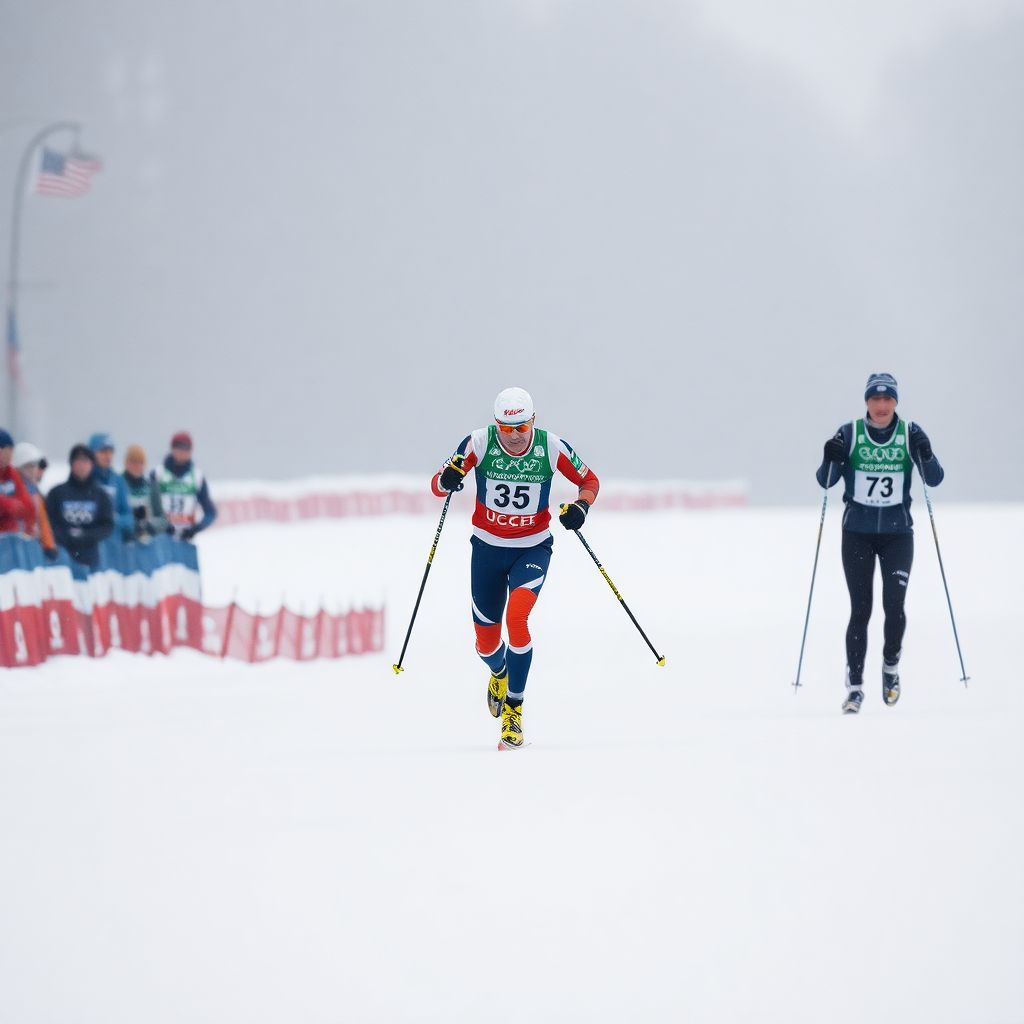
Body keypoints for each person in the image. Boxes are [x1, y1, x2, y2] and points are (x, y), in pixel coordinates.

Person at [431, 387, 600, 748]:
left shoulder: (550, 446)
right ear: (496, 426)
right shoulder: (478, 442)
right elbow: (439, 481)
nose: (514, 436)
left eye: (521, 427)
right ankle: (499, 672)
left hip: (532, 549)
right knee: (486, 644)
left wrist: (580, 507)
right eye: (506, 429)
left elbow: (590, 480)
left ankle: (514, 712)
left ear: (533, 421)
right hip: (487, 551)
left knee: (518, 620)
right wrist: (445, 480)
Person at [816, 373, 944, 714]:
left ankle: (890, 666)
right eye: (876, 399)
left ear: (896, 402)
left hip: (897, 534)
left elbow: (935, 479)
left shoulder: (909, 433)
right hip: (857, 533)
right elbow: (825, 482)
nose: (882, 405)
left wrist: (927, 454)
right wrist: (830, 456)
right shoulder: (850, 432)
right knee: (861, 610)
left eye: (888, 400)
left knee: (894, 604)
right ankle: (855, 688)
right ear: (867, 402)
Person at [45, 444, 114, 568]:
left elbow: (107, 525)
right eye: (78, 461)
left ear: (92, 465)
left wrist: (87, 536)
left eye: (86, 461)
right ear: (71, 463)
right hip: (62, 555)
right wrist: (66, 536)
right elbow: (49, 522)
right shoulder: (57, 493)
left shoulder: (101, 495)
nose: (82, 465)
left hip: (91, 557)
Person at [157, 431, 217, 540]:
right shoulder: (158, 474)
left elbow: (211, 512)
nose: (183, 452)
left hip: (186, 540)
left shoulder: (197, 477)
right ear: (172, 449)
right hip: (162, 538)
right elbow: (150, 507)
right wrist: (159, 525)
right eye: (179, 447)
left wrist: (196, 528)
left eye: (187, 448)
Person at [12, 440, 57, 558]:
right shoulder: (9, 490)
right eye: (28, 467)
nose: (32, 471)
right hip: (11, 546)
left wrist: (49, 545)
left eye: (34, 466)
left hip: (31, 548)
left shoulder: (35, 493)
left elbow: (42, 521)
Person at [88, 432, 135, 542]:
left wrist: (112, 519)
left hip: (113, 545)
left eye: (110, 452)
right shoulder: (84, 480)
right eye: (103, 451)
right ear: (91, 453)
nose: (108, 456)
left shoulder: (118, 481)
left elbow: (128, 517)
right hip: (90, 544)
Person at [122, 444, 172, 541]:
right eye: (133, 462)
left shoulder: (151, 487)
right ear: (126, 463)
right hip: (123, 543)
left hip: (145, 544)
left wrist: (148, 526)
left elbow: (162, 519)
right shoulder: (118, 484)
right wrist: (132, 522)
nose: (137, 466)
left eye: (140, 462)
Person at [0, 429, 36, 536]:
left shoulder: (11, 473)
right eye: (7, 450)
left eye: (11, 450)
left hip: (9, 535)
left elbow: (27, 503)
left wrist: (28, 528)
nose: (10, 455)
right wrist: (9, 505)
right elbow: (13, 506)